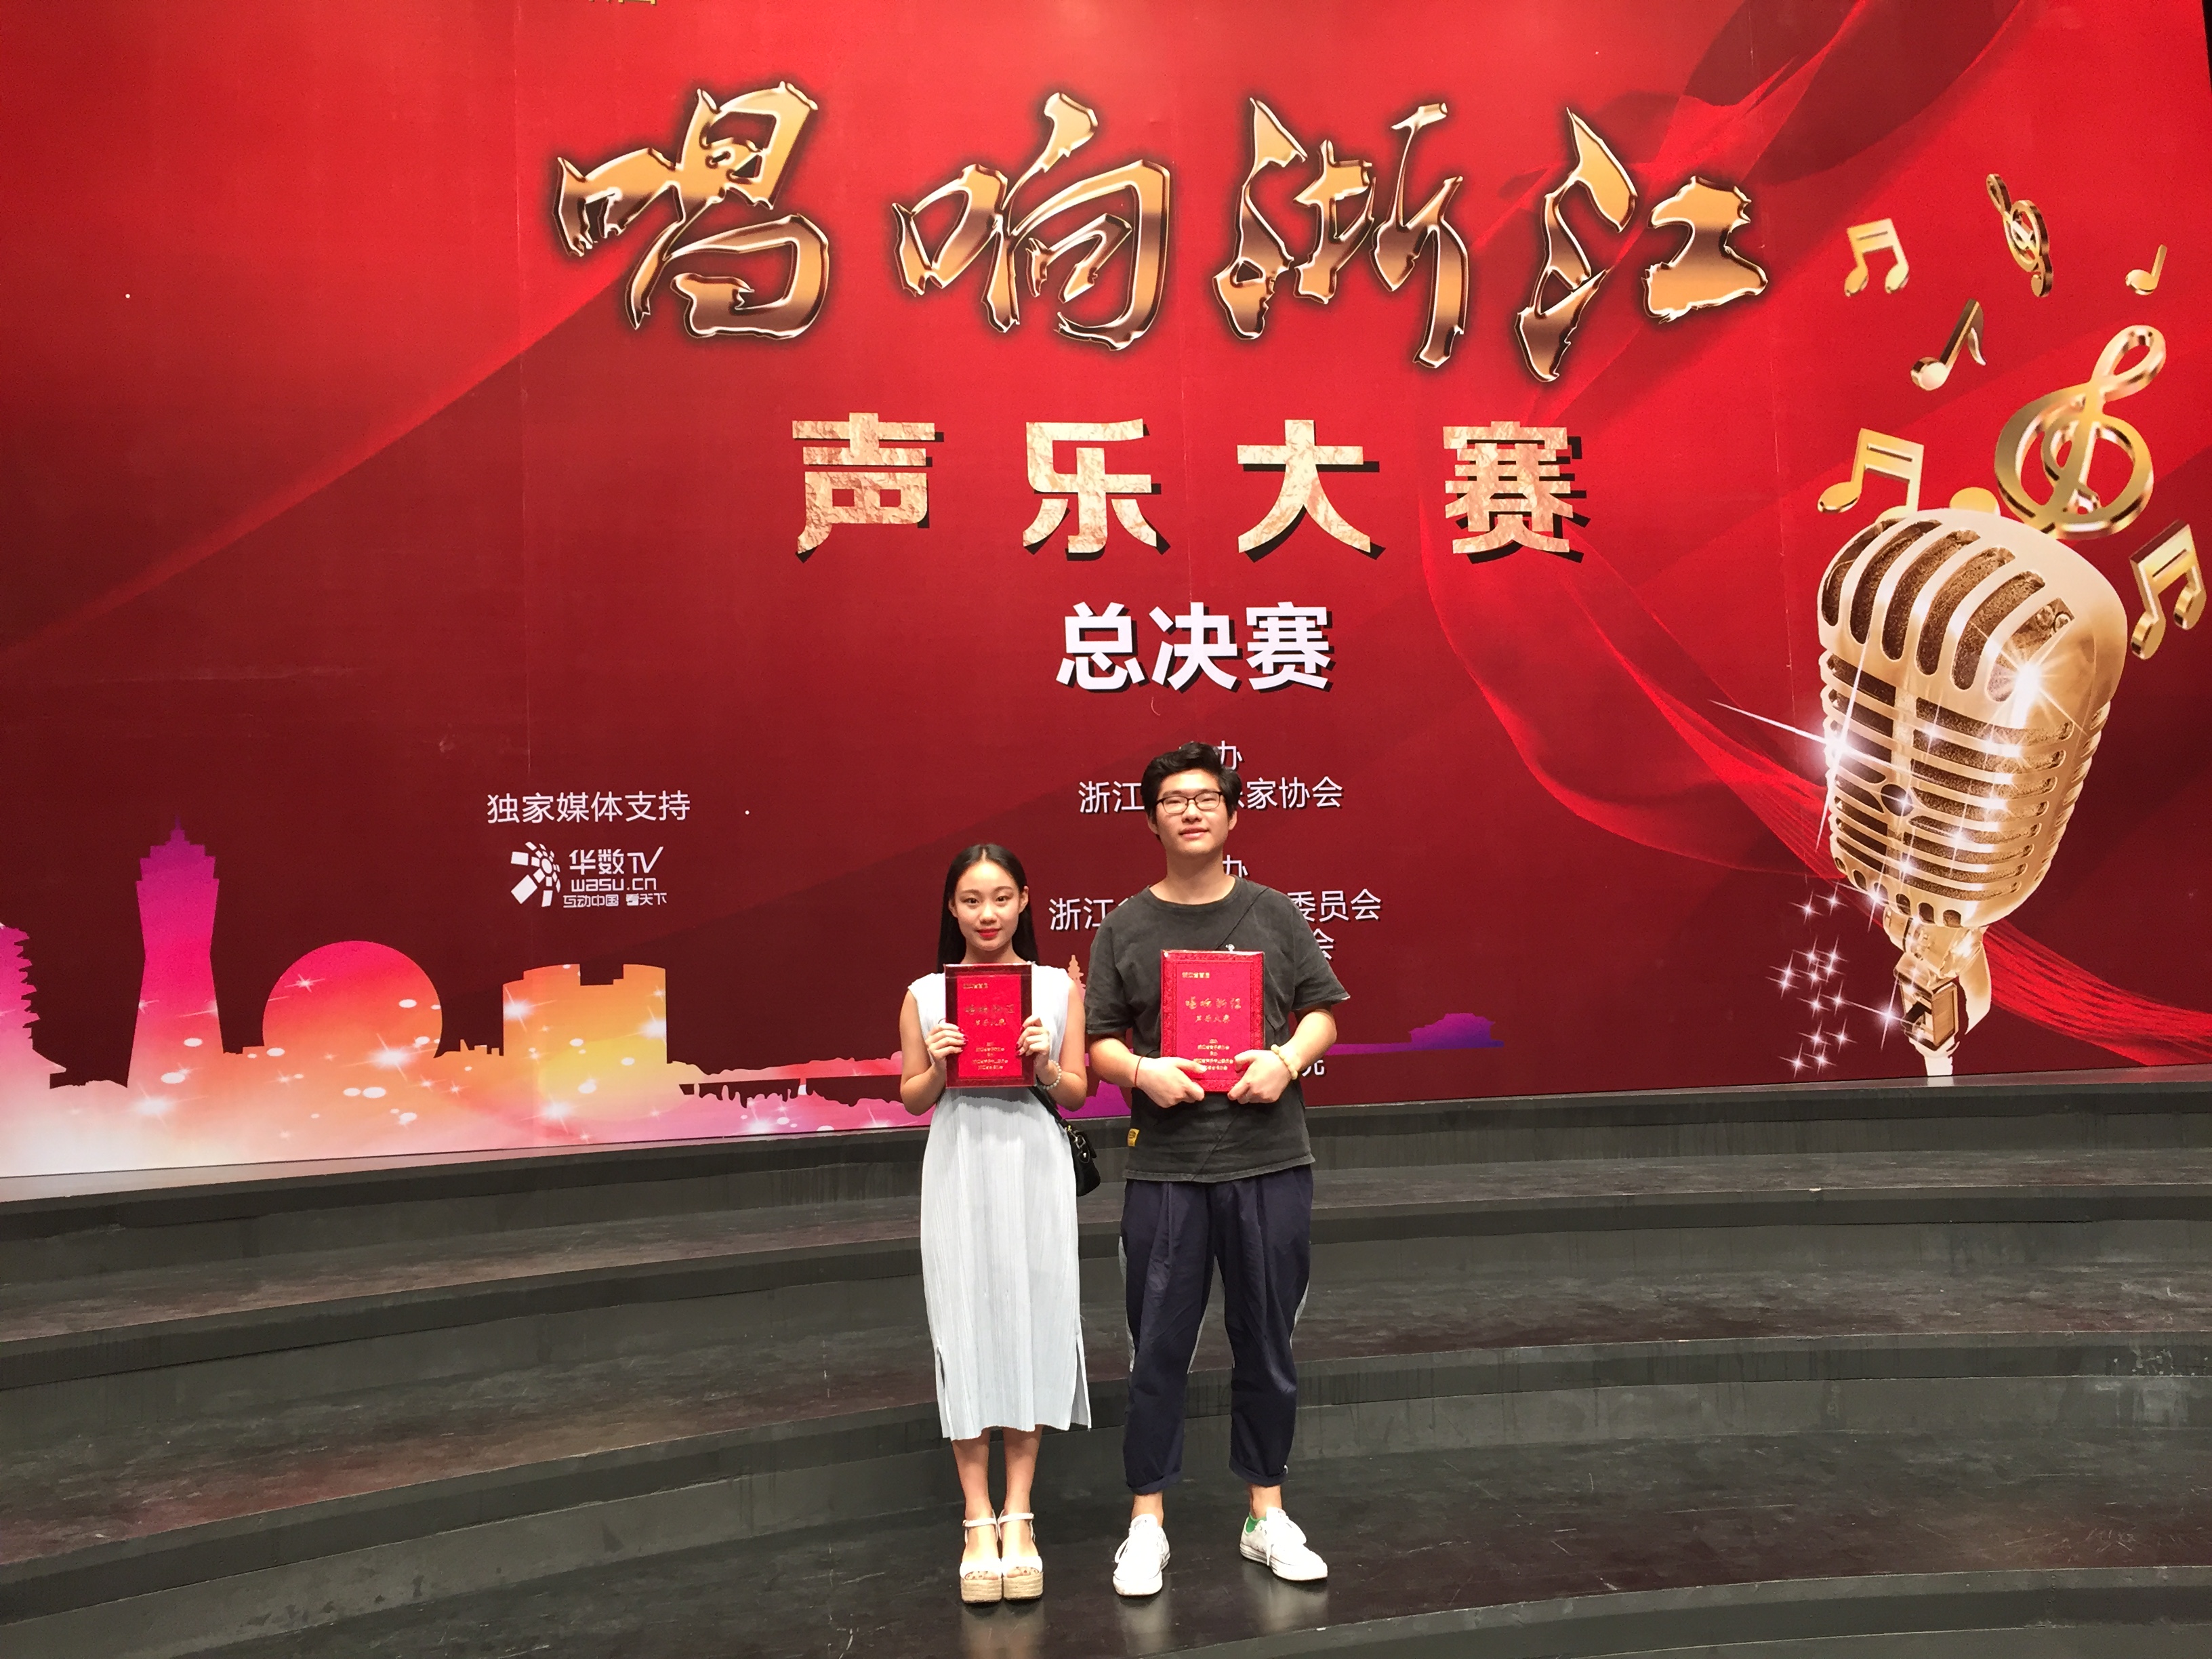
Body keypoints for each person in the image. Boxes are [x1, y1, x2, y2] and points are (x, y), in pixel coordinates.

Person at [1085, 741, 1347, 1597]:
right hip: (1166, 1167)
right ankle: (1146, 1522)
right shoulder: (1124, 926)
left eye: (1206, 798)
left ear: (1233, 815)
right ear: (1151, 820)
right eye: (1174, 800)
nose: (1191, 811)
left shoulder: (1275, 913)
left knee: (1266, 1343)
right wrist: (1139, 1072)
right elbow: (1099, 1041)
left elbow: (1323, 1013)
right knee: (1156, 1347)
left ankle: (1265, 1513)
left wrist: (1287, 1060)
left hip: (1268, 1158)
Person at [899, 844, 1092, 1605]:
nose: (988, 914)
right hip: (959, 1163)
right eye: (972, 900)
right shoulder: (925, 995)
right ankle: (977, 1518)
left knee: (1031, 1322)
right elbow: (914, 1098)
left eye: (1002, 898)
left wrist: (1045, 1065)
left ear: (1024, 902)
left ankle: (1021, 1513)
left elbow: (1076, 1092)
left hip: (1032, 1165)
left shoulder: (1057, 989)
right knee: (964, 1327)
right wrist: (938, 1067)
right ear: (952, 908)